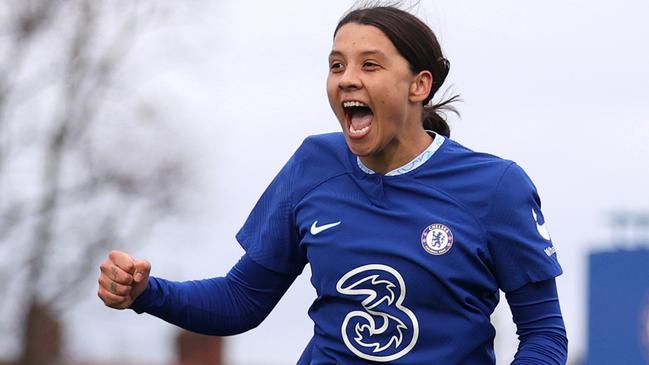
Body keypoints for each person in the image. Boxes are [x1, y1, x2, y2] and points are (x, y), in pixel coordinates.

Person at [98, 5, 568, 364]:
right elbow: (241, 300)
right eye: (337, 65)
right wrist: (147, 293)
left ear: (419, 86)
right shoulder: (313, 165)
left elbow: (545, 333)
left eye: (370, 65)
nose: (347, 80)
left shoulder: (496, 187)